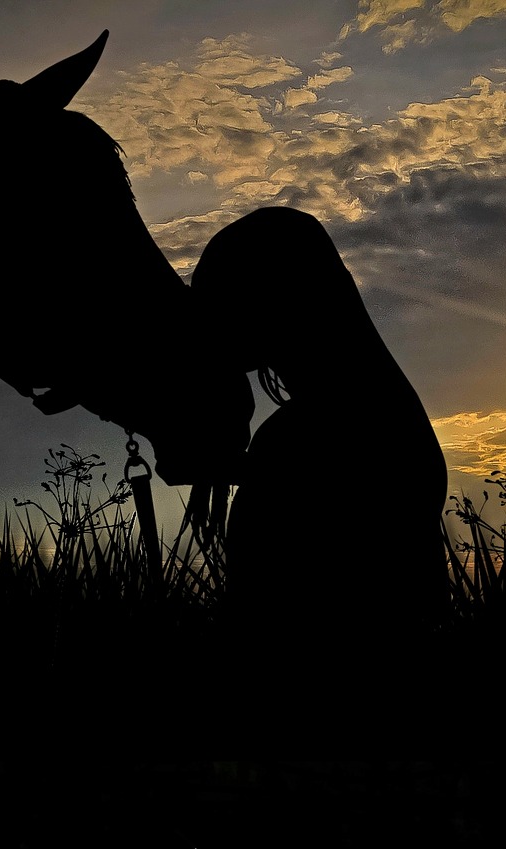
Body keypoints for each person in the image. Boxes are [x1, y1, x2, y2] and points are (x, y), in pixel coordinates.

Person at [191, 206, 449, 646]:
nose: (206, 325)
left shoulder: (296, 437)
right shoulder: (385, 412)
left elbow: (264, 615)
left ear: (270, 301)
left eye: (220, 301)